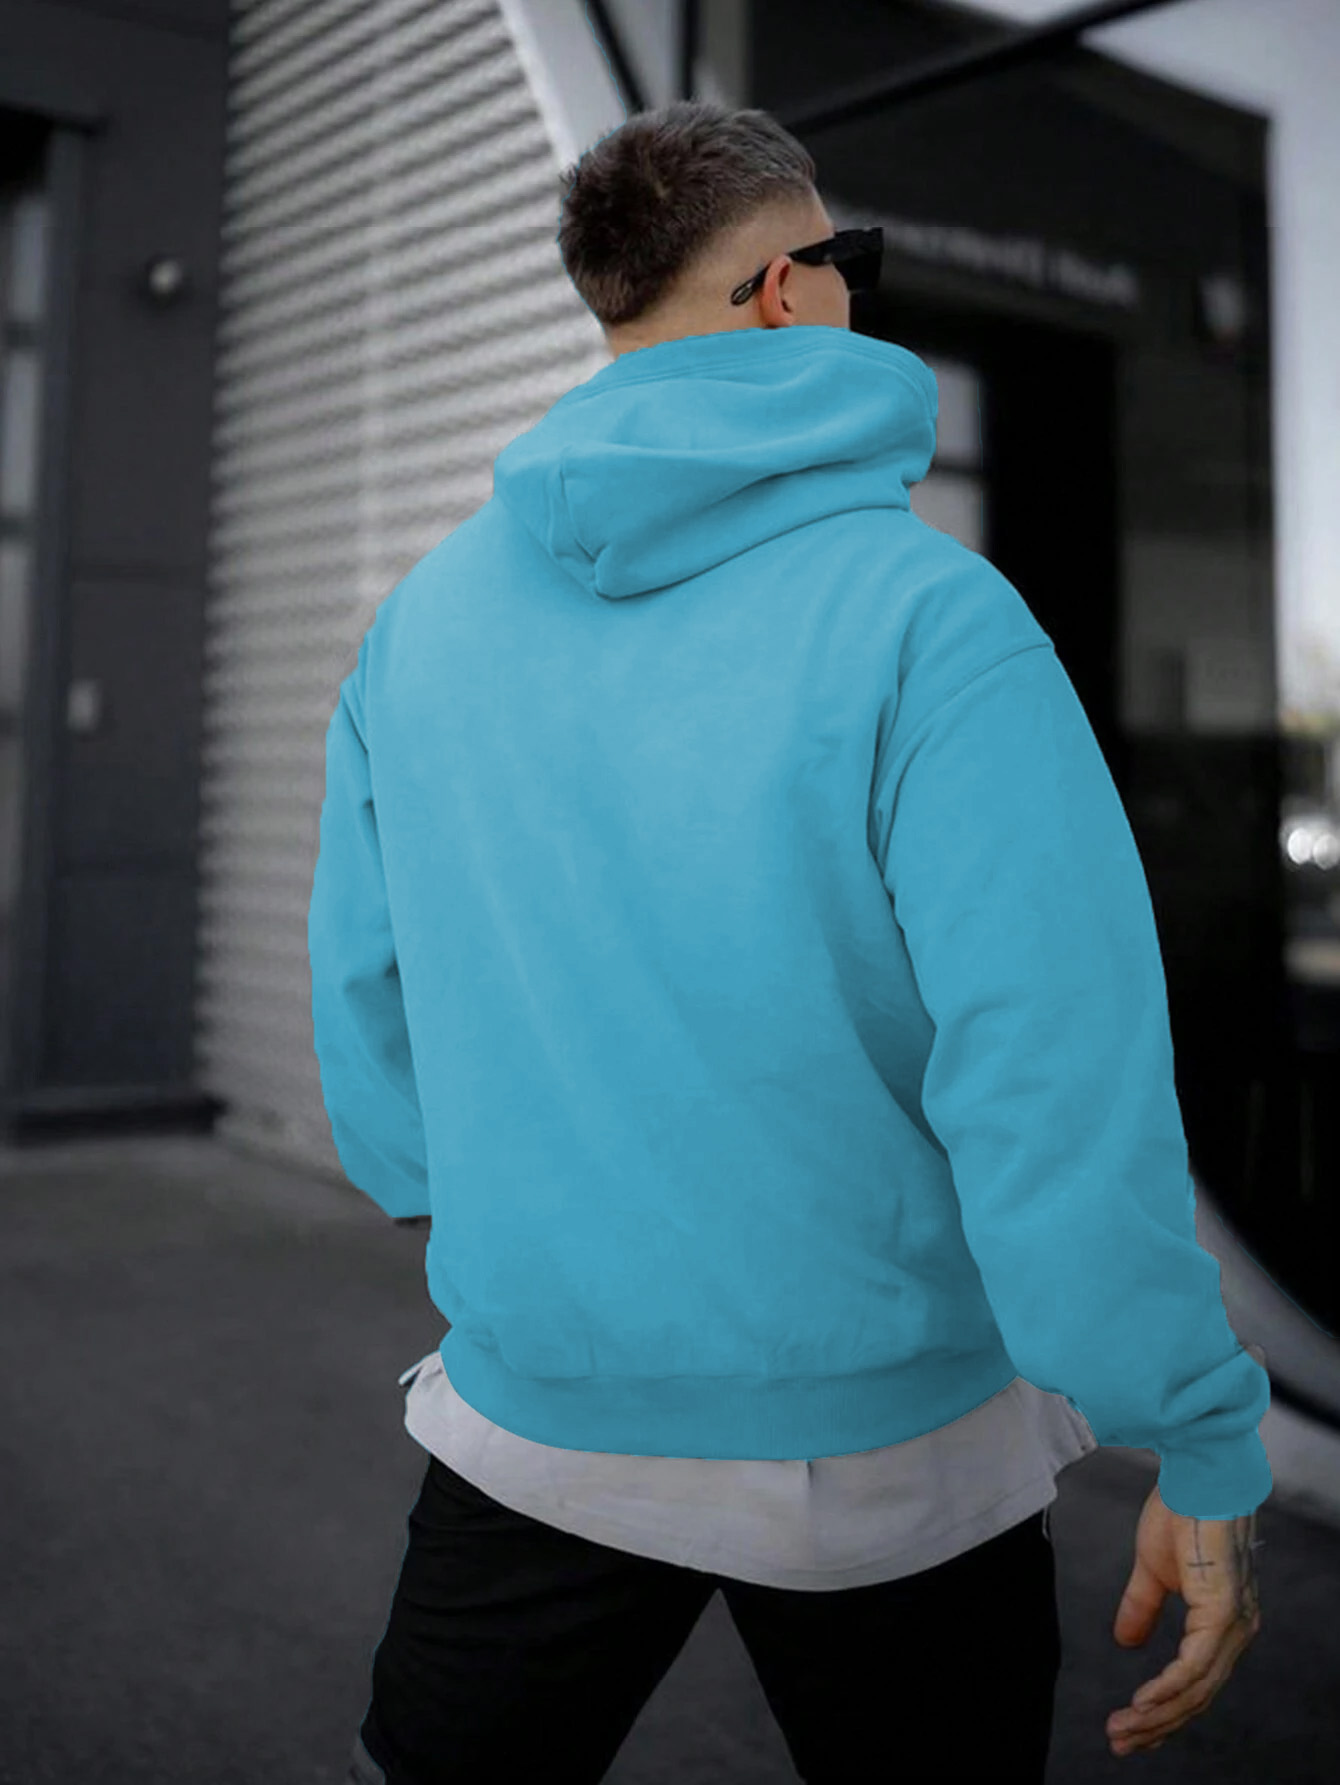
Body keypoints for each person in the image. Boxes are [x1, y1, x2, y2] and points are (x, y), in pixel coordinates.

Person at [308, 100, 1270, 1785]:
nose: (855, 290)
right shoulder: (930, 618)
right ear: (780, 289)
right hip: (886, 1451)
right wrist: (1193, 1425)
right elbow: (1052, 1073)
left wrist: (462, 1194)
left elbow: (366, 983)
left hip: (535, 1410)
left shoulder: (422, 623)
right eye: (851, 259)